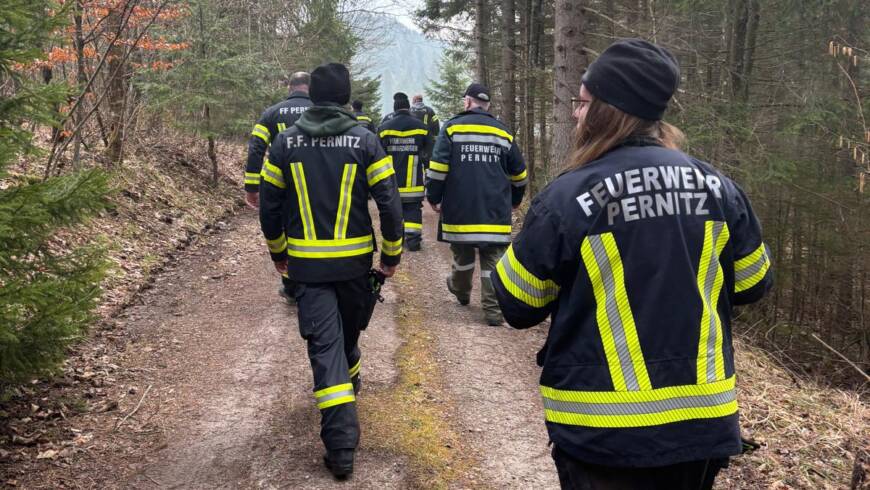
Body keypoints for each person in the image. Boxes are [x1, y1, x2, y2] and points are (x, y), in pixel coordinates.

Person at [491, 39, 773, 490]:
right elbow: (754, 282)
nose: (574, 114)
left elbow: (518, 303)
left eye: (582, 104)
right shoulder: (720, 188)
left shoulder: (568, 197)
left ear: (607, 110)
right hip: (702, 425)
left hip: (604, 433)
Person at [259, 62, 403, 479]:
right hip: (356, 267)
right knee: (344, 337)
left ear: (311, 96)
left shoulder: (284, 144)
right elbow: (390, 203)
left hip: (308, 269)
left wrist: (278, 254)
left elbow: (269, 206)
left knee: (329, 349)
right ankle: (342, 444)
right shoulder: (365, 141)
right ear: (345, 97)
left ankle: (343, 418)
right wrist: (391, 257)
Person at [426, 82, 527, 326]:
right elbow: (520, 174)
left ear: (468, 102)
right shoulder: (503, 132)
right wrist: (515, 200)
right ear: (487, 105)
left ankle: (461, 292)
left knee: (463, 254)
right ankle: (493, 312)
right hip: (494, 210)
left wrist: (434, 197)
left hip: (460, 210)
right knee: (492, 261)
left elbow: (438, 168)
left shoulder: (451, 128)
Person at [245, 71, 313, 302]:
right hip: (318, 179)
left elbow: (256, 148)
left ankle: (291, 283)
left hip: (282, 182)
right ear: (310, 88)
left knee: (287, 228)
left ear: (290, 87)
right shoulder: (320, 109)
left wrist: (252, 186)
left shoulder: (271, 113)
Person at [377, 92, 430, 250]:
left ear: (394, 109)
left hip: (391, 183)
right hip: (413, 183)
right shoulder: (422, 128)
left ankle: (396, 241)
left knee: (393, 211)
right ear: (409, 107)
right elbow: (428, 157)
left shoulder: (383, 129)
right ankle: (413, 242)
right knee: (412, 210)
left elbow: (377, 157)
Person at [410, 94, 439, 161]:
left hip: (413, 138)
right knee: (428, 157)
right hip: (427, 138)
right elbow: (436, 124)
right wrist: (435, 138)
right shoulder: (429, 110)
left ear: (414, 101)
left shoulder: (409, 111)